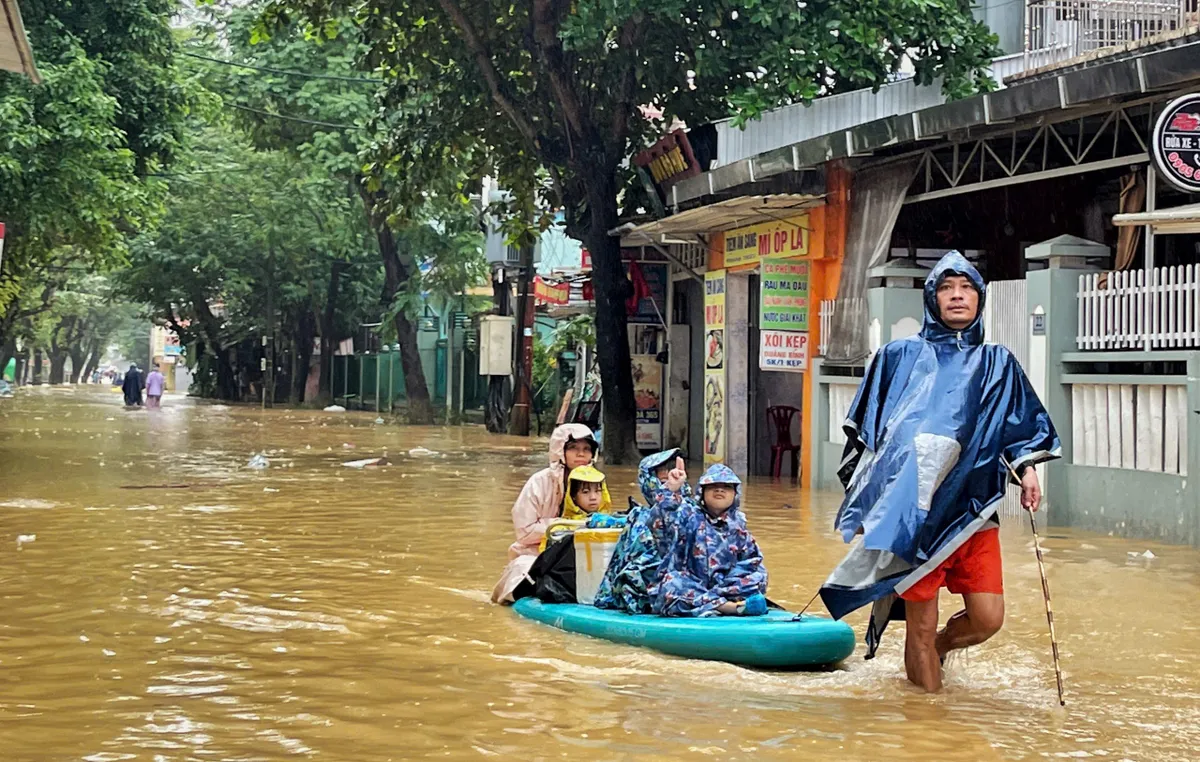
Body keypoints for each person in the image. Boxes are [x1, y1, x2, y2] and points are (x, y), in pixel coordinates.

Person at [818, 251, 1061, 693]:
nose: (956, 296)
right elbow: (872, 439)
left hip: (972, 511)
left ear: (979, 297)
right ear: (932, 298)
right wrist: (868, 507)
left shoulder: (997, 363)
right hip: (917, 516)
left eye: (966, 288)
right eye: (947, 288)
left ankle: (945, 648)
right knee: (920, 627)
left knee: (989, 618)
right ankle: (927, 725)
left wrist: (1026, 470)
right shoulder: (897, 356)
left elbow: (1017, 428)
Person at [491, 423, 597, 604]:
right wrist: (565, 525)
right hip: (535, 555)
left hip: (578, 556)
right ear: (560, 451)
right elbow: (524, 532)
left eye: (586, 449)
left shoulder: (596, 482)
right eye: (573, 448)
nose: (581, 454)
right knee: (522, 570)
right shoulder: (539, 483)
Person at [655, 464, 768, 617]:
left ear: (735, 494)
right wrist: (672, 489)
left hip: (725, 587)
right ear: (702, 493)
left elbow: (752, 562)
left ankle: (712, 602)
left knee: (759, 578)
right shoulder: (688, 516)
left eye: (726, 487)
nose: (720, 490)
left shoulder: (739, 526)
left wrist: (725, 584)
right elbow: (664, 519)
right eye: (713, 486)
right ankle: (729, 607)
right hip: (692, 585)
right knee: (671, 584)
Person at [593, 448, 693, 613]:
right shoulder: (639, 516)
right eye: (663, 482)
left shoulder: (693, 511)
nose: (669, 486)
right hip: (650, 587)